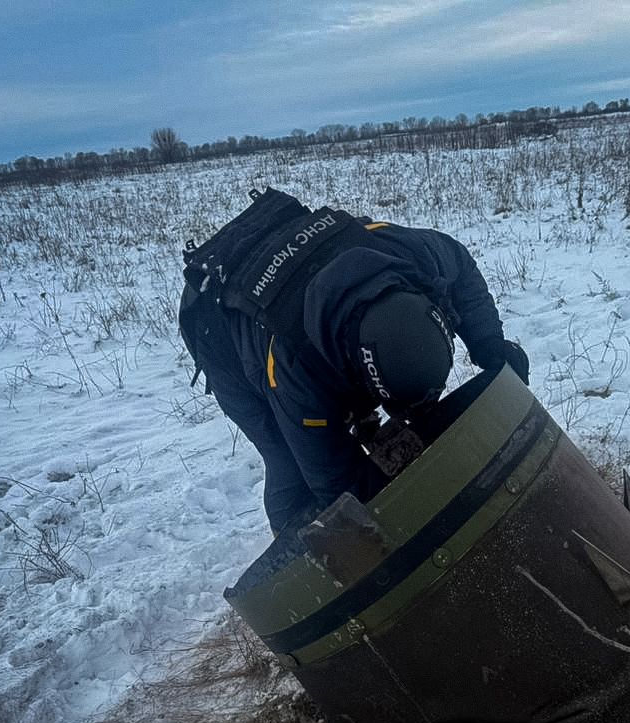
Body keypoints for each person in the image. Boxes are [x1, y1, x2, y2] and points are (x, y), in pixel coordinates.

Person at [179, 188, 530, 535]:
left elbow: (462, 267)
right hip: (220, 333)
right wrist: (410, 520)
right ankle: (301, 562)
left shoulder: (409, 254)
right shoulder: (294, 371)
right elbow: (334, 480)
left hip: (314, 271)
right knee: (289, 463)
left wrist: (488, 343)